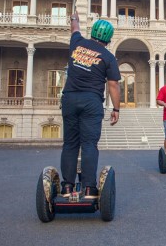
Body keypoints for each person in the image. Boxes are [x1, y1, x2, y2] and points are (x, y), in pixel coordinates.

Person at [60, 12, 121, 199]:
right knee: (89, 144)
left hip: (69, 99)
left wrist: (74, 19)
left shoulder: (77, 43)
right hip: (91, 101)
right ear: (109, 39)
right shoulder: (108, 57)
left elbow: (75, 29)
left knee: (70, 144)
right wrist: (116, 109)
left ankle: (67, 187)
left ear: (92, 32)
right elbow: (113, 85)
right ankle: (88, 188)